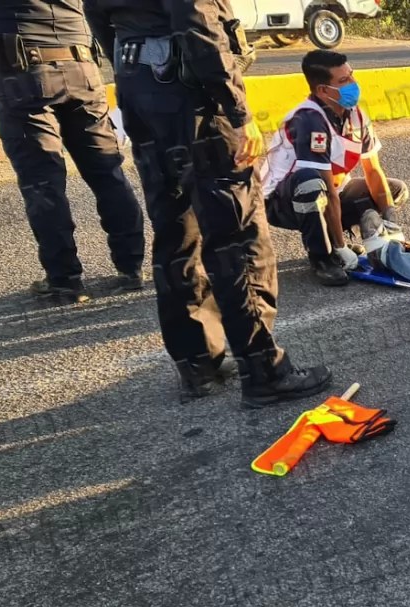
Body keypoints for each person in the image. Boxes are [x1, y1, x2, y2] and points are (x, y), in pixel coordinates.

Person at [85, 0, 331, 407]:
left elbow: (98, 17)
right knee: (238, 233)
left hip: (140, 91)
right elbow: (196, 19)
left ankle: (197, 362)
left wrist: (139, 73)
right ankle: (263, 368)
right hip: (193, 100)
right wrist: (237, 108)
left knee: (176, 227)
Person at [0, 0, 145, 303]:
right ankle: (131, 267)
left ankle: (64, 280)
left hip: (22, 73)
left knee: (43, 182)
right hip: (81, 66)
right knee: (107, 171)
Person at [261, 49, 409, 287]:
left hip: (332, 190)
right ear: (322, 90)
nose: (353, 83)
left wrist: (391, 222)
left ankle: (350, 238)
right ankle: (323, 257)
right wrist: (340, 247)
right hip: (283, 201)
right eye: (343, 81)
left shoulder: (356, 115)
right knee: (311, 183)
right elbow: (327, 189)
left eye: (351, 76)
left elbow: (373, 172)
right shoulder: (309, 119)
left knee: (395, 190)